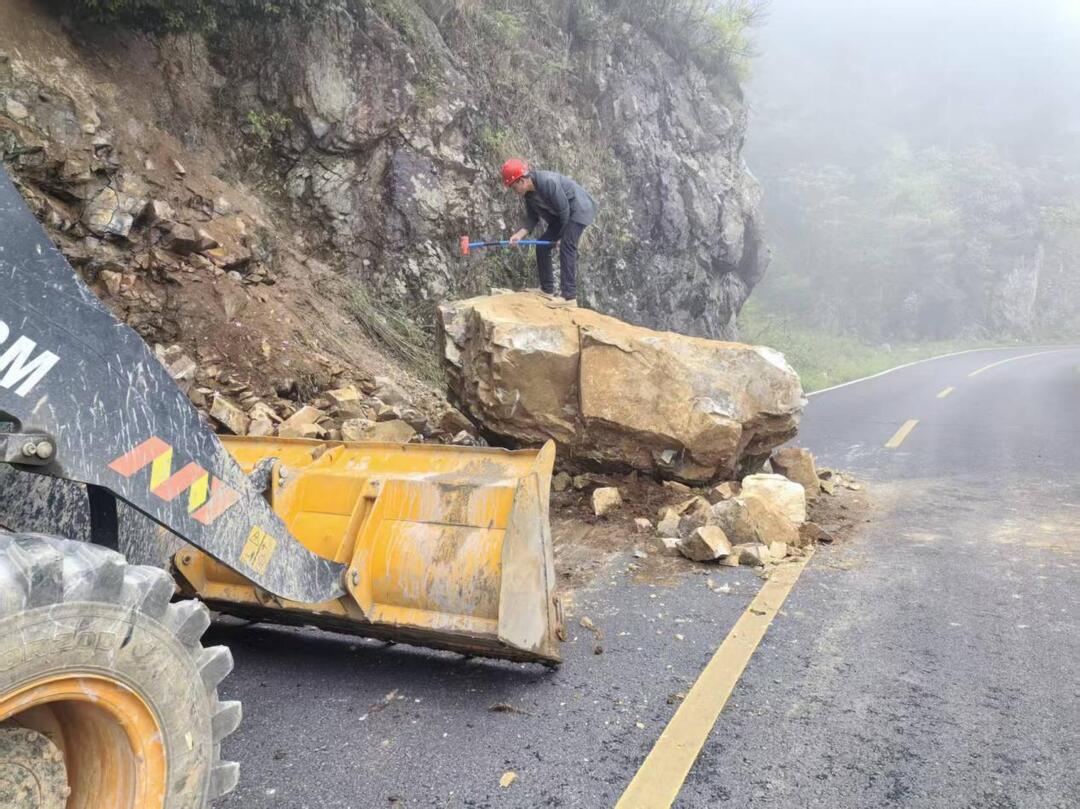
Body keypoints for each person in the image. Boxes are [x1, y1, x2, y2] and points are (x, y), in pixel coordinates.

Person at [503, 158, 598, 303]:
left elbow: (564, 210)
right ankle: (546, 290)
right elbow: (532, 218)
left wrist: (562, 237)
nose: (514, 191)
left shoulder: (547, 182)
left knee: (567, 245)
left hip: (578, 210)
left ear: (521, 180)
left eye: (513, 187)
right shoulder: (529, 195)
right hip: (562, 217)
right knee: (542, 246)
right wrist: (519, 235)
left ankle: (569, 297)